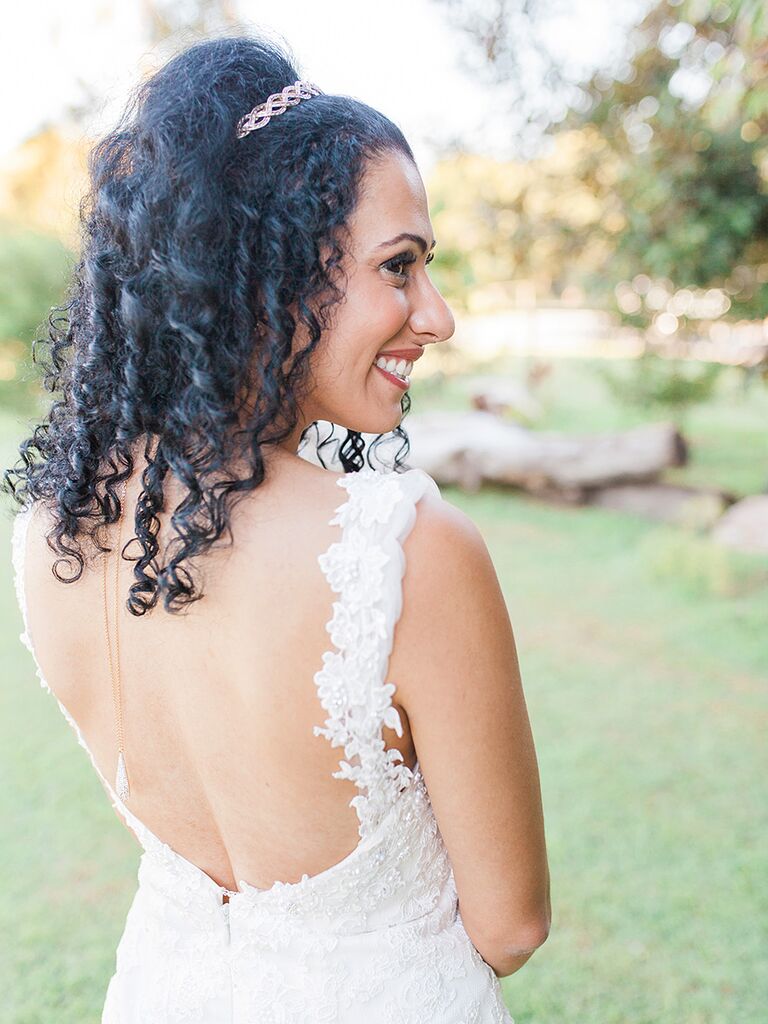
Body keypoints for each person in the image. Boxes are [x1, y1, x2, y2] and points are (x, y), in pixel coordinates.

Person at [5, 32, 550, 1024]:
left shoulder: (54, 532)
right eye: (401, 266)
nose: (438, 316)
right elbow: (509, 924)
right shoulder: (407, 550)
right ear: (269, 267)